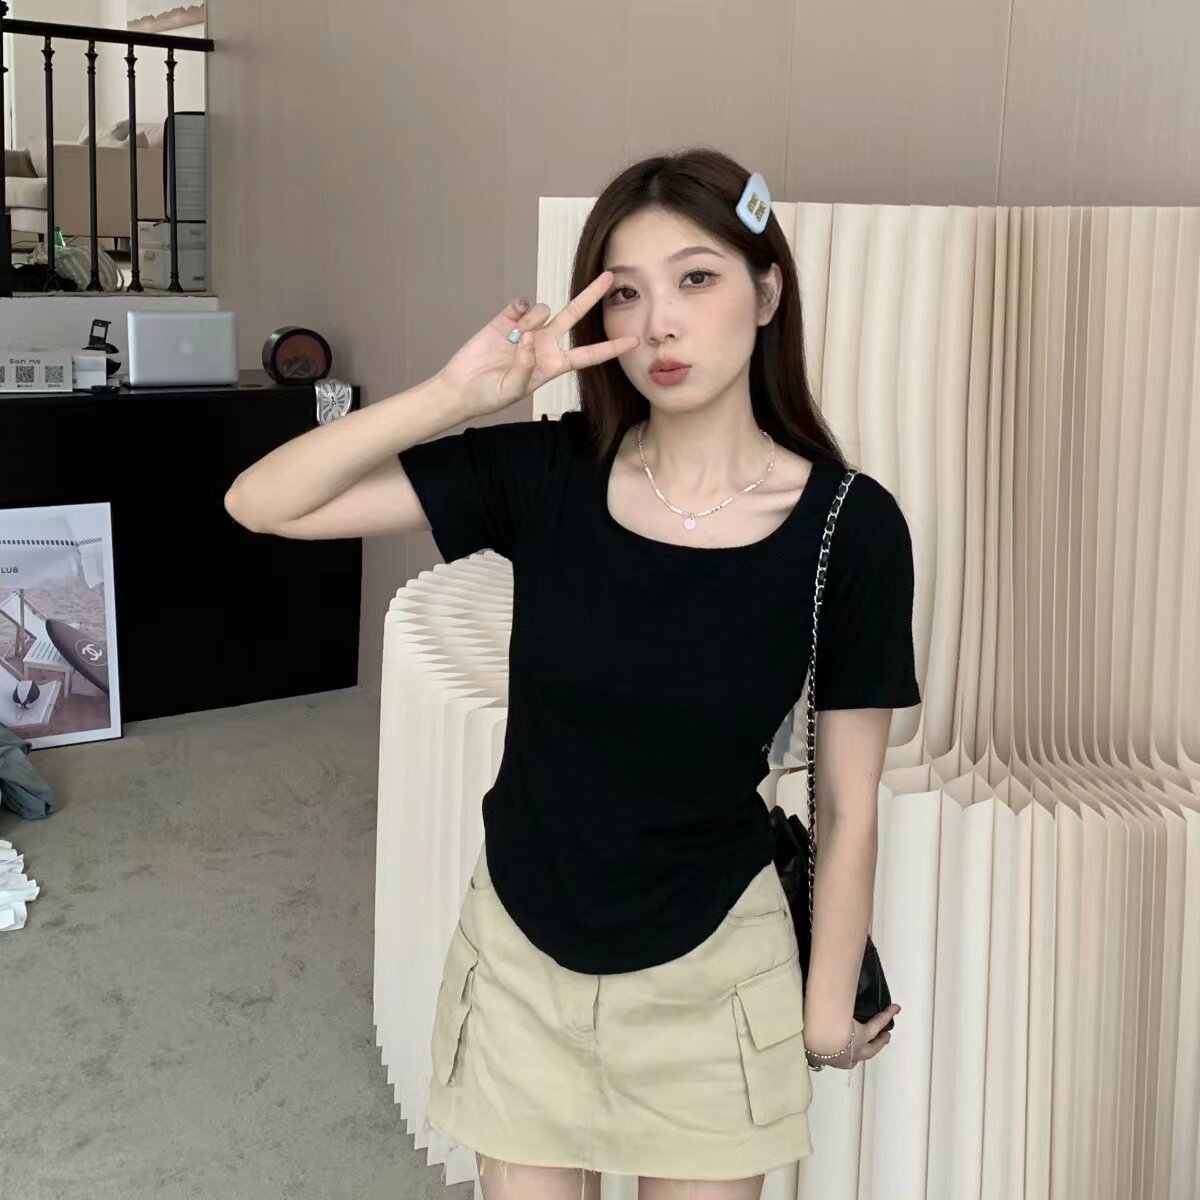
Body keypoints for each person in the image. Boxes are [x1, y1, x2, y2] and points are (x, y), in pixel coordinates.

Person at [224, 147, 920, 1200]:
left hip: (712, 974)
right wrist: (456, 394)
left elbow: (849, 802)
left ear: (768, 291)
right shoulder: (551, 471)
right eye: (626, 294)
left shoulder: (849, 528)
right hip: (522, 956)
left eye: (696, 279)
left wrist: (826, 1015)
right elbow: (263, 502)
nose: (660, 326)